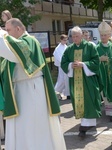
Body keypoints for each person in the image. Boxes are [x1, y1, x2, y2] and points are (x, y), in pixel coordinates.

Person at [0, 18, 66, 150]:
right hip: (19, 89)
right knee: (22, 126)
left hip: (31, 89)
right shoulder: (17, 43)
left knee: (32, 125)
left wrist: (2, 36)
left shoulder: (29, 41)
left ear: (18, 29)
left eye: (8, 30)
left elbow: (13, 53)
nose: (6, 33)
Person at [61, 26, 103, 138]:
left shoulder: (90, 46)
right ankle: (86, 124)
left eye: (77, 36)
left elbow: (96, 61)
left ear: (81, 36)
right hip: (75, 80)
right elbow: (63, 62)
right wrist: (71, 65)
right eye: (73, 36)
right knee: (80, 101)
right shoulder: (69, 49)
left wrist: (83, 64)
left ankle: (86, 125)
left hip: (88, 80)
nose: (75, 39)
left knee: (89, 99)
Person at [96, 21, 112, 122]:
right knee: (105, 92)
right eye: (101, 35)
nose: (103, 37)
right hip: (102, 74)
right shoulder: (96, 48)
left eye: (105, 35)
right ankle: (110, 113)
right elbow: (93, 60)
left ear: (109, 35)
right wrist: (99, 59)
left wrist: (110, 60)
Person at [53, 34, 70, 100]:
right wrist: (64, 63)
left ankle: (68, 94)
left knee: (67, 80)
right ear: (61, 40)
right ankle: (55, 92)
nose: (65, 41)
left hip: (67, 65)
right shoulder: (58, 48)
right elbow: (59, 58)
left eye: (66, 40)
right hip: (62, 66)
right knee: (62, 80)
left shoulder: (66, 46)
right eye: (64, 40)